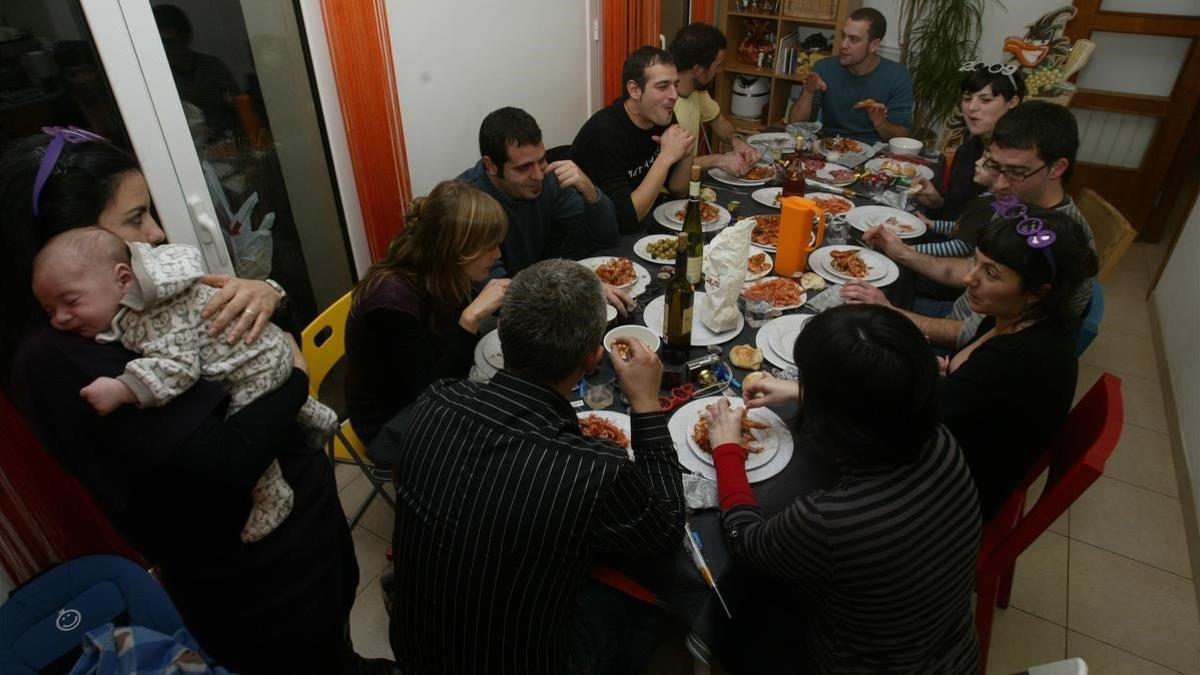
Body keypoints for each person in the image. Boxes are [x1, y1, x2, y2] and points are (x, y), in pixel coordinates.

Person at [0, 130, 374, 674]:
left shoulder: (130, 300)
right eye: (135, 218)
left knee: (335, 641)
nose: (154, 232)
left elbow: (231, 343)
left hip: (302, 527)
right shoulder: (65, 354)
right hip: (255, 573)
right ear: (69, 237)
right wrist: (294, 374)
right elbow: (228, 462)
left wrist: (267, 292)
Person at [375, 258, 686, 674]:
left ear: (501, 332)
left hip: (414, 647)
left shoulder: (435, 401)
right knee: (651, 603)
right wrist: (647, 406)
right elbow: (666, 531)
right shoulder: (593, 470)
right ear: (594, 357)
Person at [706, 304, 980, 672]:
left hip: (853, 664)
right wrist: (801, 391)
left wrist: (727, 449)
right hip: (950, 651)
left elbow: (745, 541)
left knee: (730, 612)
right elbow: (882, 403)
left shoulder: (830, 519)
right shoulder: (939, 439)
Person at [31, 227, 338, 543]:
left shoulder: (146, 315)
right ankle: (318, 416)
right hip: (267, 355)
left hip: (253, 368)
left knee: (243, 412)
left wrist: (123, 388)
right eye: (50, 310)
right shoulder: (153, 291)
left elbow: (179, 369)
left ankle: (273, 495)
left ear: (122, 278)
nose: (60, 319)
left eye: (70, 302)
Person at [842, 101, 1095, 348]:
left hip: (964, 346)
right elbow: (971, 270)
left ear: (1056, 168)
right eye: (995, 166)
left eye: (1016, 172)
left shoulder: (1054, 240)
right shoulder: (1017, 204)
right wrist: (903, 253)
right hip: (957, 313)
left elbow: (972, 335)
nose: (998, 185)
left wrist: (890, 312)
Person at [937, 204, 1098, 519]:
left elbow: (912, 421)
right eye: (976, 262)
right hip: (955, 443)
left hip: (951, 500)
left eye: (990, 272)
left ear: (1037, 293)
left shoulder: (1019, 360)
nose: (970, 278)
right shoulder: (1012, 315)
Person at [343, 180, 508, 444]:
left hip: (430, 379)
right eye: (490, 246)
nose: (498, 254)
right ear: (455, 249)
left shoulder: (439, 270)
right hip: (391, 421)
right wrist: (469, 320)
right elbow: (433, 395)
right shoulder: (392, 302)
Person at [455, 107, 634, 315]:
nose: (539, 175)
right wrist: (578, 288)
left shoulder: (547, 178)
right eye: (524, 168)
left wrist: (590, 190)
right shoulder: (469, 203)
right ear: (491, 165)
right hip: (489, 315)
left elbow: (607, 237)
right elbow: (495, 294)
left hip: (538, 288)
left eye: (541, 160)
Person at [573, 46, 695, 230]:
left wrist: (685, 151)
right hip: (594, 234)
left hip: (638, 220)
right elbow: (626, 219)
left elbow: (678, 189)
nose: (674, 95)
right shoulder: (605, 133)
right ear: (634, 90)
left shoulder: (660, 115)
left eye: (675, 85)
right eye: (663, 86)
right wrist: (666, 157)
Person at [911, 62, 1027, 232]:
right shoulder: (968, 150)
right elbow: (958, 215)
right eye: (967, 98)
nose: (972, 107)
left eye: (985, 100)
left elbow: (991, 235)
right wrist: (937, 202)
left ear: (1012, 102)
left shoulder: (1017, 162)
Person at [785, 8, 913, 144]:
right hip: (829, 148)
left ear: (874, 45)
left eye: (854, 39)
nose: (843, 45)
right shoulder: (823, 68)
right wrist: (808, 92)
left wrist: (881, 123)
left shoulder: (897, 76)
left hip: (874, 153)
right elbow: (795, 124)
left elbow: (901, 137)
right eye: (843, 36)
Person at [668, 23, 762, 174]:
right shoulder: (662, 103)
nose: (720, 70)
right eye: (717, 65)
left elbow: (718, 120)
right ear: (698, 70)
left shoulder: (696, 90)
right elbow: (669, 167)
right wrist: (719, 160)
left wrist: (736, 141)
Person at [153, 4, 241, 139]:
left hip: (228, 143)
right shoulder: (157, 78)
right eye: (159, 43)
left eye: (169, 42)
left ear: (186, 38)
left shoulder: (212, 66)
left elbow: (240, 107)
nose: (164, 49)